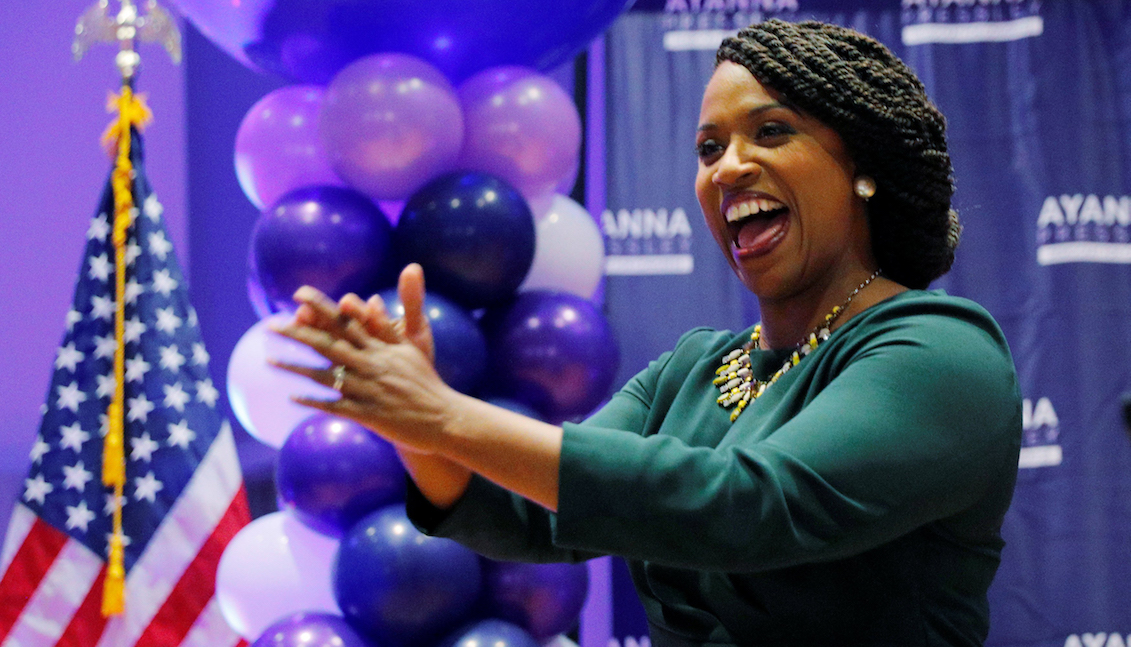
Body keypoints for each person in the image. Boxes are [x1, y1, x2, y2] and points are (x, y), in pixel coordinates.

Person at [271, 19, 1022, 647]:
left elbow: (747, 507)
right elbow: (532, 516)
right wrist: (413, 428)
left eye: (769, 131)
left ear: (864, 167)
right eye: (707, 148)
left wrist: (446, 414)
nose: (728, 168)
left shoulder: (938, 353)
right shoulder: (694, 368)